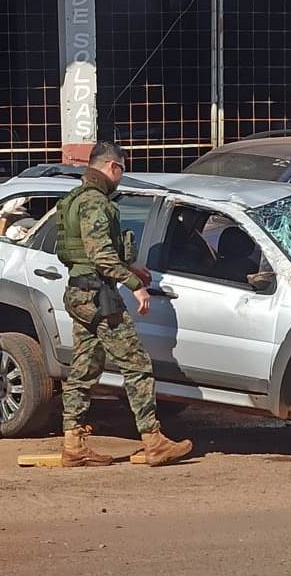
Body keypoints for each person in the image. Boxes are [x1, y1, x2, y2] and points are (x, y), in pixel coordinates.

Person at [56, 140, 193, 467]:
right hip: (99, 297)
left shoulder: (76, 199)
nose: (121, 176)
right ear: (112, 167)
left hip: (80, 292)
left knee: (83, 368)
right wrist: (135, 286)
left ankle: (73, 443)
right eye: (122, 169)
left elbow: (89, 252)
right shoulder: (95, 203)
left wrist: (130, 269)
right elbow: (101, 255)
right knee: (137, 364)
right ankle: (153, 440)